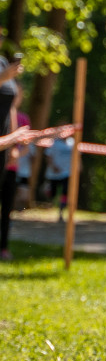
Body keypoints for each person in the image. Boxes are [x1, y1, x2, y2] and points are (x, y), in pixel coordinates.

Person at [0, 78, 26, 262]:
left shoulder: (18, 116)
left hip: (11, 168)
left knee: (7, 210)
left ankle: (4, 247)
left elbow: (21, 146)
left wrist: (17, 150)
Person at [42, 125, 74, 222]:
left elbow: (76, 155)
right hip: (54, 172)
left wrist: (79, 166)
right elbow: (48, 156)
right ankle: (47, 190)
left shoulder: (71, 142)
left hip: (67, 172)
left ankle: (61, 211)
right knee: (53, 193)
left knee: (66, 191)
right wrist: (53, 166)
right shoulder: (53, 142)